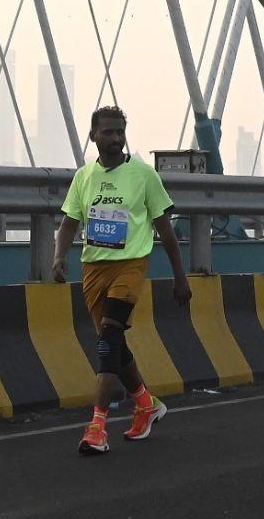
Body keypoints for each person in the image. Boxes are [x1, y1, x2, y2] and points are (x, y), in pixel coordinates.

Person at [53, 107, 192, 455]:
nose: (116, 139)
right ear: (93, 136)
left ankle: (97, 427)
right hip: (93, 269)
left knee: (107, 342)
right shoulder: (84, 177)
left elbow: (166, 232)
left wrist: (180, 277)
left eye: (120, 132)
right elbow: (69, 222)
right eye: (108, 133)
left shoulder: (143, 175)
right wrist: (58, 257)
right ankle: (145, 404)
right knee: (113, 344)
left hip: (130, 266)